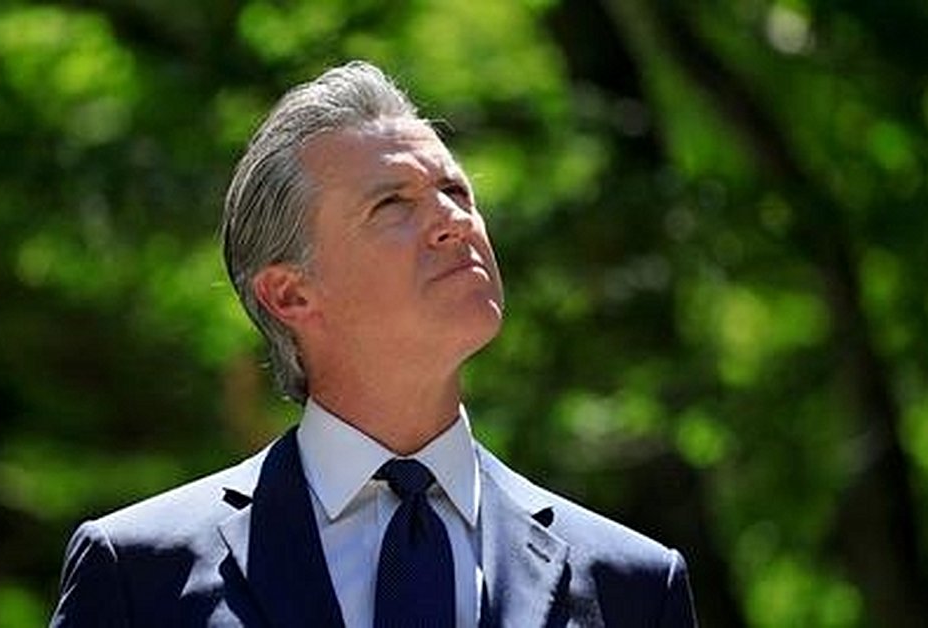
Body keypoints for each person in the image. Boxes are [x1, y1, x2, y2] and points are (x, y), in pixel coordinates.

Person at [49, 60, 696, 627]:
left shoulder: (633, 585)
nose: (454, 221)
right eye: (393, 204)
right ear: (290, 294)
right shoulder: (140, 574)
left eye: (456, 191)